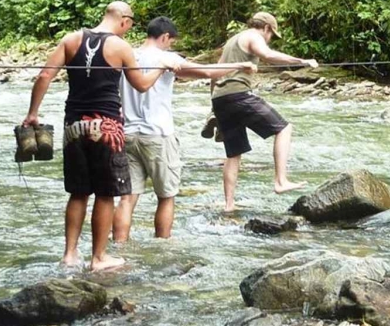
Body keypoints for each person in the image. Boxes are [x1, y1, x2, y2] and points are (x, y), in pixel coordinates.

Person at [23, 0, 164, 272]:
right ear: (124, 20)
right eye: (129, 25)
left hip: (73, 126)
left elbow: (44, 76)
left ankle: (69, 254)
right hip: (106, 127)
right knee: (105, 194)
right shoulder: (120, 46)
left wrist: (32, 113)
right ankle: (98, 258)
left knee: (78, 193)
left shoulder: (71, 40)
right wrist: (162, 68)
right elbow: (141, 85)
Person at [113, 17, 252, 241]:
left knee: (127, 199)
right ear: (165, 36)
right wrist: (239, 66)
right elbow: (207, 72)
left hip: (127, 134)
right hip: (158, 134)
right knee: (166, 197)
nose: (170, 45)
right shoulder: (166, 58)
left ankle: (119, 245)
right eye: (171, 42)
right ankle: (162, 245)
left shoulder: (128, 56)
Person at [208, 12, 317, 212]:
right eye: (271, 35)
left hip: (221, 98)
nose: (269, 39)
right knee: (284, 128)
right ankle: (280, 181)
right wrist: (301, 61)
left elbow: (215, 73)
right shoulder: (253, 36)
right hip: (239, 95)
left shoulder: (232, 40)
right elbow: (268, 55)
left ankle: (229, 204)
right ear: (266, 28)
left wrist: (213, 106)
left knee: (234, 153)